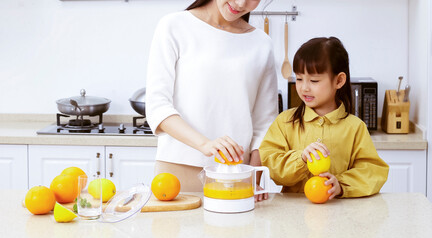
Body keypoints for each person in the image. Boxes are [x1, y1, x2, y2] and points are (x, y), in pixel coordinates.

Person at [145, 0, 278, 201]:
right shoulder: (173, 26)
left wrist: (254, 174)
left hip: (235, 176)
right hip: (176, 173)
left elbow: (266, 123)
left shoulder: (262, 43)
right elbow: (158, 108)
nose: (241, 3)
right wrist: (205, 144)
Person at [259, 37, 389, 199]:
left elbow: (373, 170)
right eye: (299, 79)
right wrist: (301, 158)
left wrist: (341, 185)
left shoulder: (355, 127)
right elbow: (269, 163)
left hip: (340, 213)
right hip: (293, 214)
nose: (304, 87)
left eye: (314, 80)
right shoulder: (285, 122)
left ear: (339, 80)